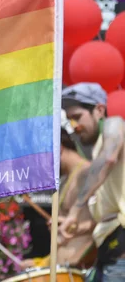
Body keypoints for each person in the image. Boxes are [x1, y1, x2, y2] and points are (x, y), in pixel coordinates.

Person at [58, 82, 125, 282]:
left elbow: (109, 158)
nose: (74, 127)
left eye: (77, 117)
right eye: (69, 120)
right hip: (109, 253)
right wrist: (76, 225)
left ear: (99, 110)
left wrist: (75, 211)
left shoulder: (115, 124)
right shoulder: (99, 149)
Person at [21, 122, 95, 269]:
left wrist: (71, 227)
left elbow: (104, 221)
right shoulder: (66, 179)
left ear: (58, 148)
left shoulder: (89, 174)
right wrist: (42, 262)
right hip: (66, 269)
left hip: (84, 268)